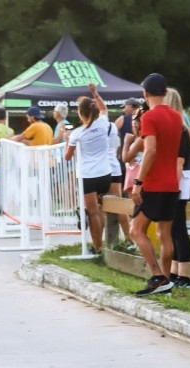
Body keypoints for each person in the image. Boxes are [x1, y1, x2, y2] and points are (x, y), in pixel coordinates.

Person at [129, 73, 183, 296]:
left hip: (153, 183)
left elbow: (150, 150)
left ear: (145, 93)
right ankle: (167, 282)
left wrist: (137, 182)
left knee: (136, 230)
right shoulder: (177, 117)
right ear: (166, 92)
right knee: (165, 235)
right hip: (172, 183)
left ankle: (157, 276)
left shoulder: (149, 117)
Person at [64, 96, 112, 254]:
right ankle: (101, 244)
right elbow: (104, 108)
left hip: (88, 176)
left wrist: (66, 140)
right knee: (99, 210)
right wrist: (95, 94)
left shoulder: (77, 133)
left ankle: (97, 247)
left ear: (80, 113)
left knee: (93, 213)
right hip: (105, 174)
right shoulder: (104, 123)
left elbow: (67, 156)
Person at [89, 84, 132, 244]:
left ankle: (98, 244)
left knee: (98, 208)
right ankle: (128, 239)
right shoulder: (112, 126)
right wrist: (95, 93)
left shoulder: (90, 129)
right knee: (119, 205)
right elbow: (103, 108)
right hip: (114, 168)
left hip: (98, 170)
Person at [164, 88, 190, 289]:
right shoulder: (177, 128)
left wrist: (172, 188)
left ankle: (184, 275)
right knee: (174, 228)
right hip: (175, 181)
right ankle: (175, 271)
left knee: (180, 227)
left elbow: (179, 162)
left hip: (178, 182)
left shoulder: (180, 129)